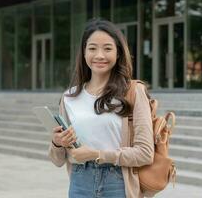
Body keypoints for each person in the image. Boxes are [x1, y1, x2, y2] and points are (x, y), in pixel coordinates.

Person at [48, 19, 154, 198]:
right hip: (80, 181)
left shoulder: (133, 92)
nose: (99, 55)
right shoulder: (69, 97)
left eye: (107, 48)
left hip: (118, 182)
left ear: (118, 53)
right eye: (92, 48)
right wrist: (58, 142)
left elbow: (145, 153)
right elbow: (57, 160)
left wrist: (98, 154)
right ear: (83, 52)